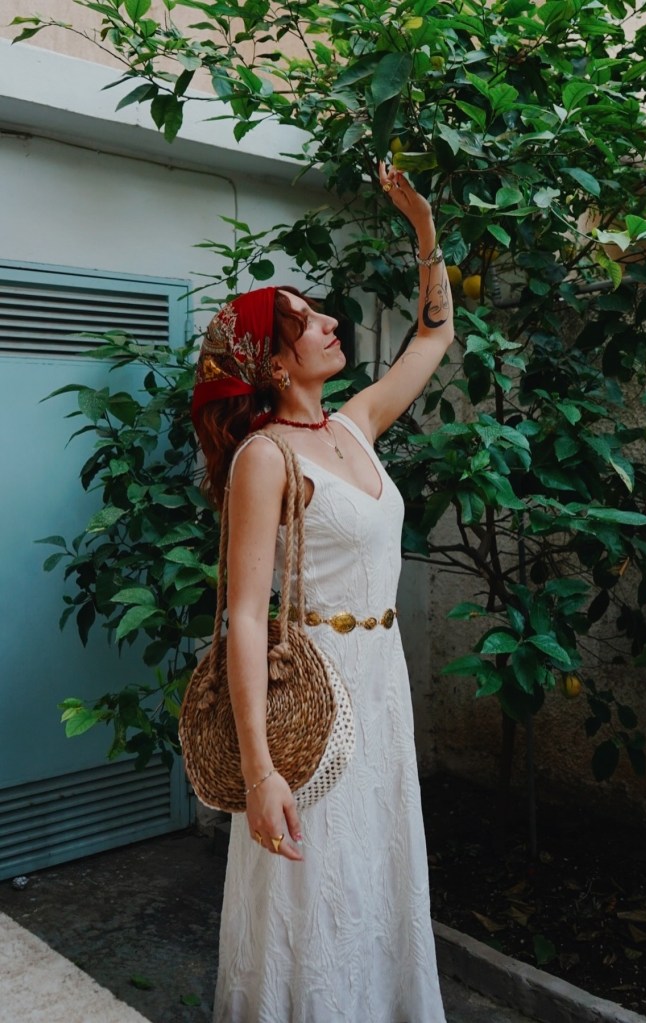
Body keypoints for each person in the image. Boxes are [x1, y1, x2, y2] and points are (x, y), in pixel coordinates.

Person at [190, 160, 453, 1023]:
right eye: (305, 322)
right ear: (271, 363)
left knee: (374, 869)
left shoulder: (353, 424)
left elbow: (433, 339)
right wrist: (260, 770)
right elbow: (243, 614)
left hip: (379, 680)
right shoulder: (263, 457)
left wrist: (423, 231)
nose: (330, 322)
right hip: (311, 688)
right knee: (312, 885)